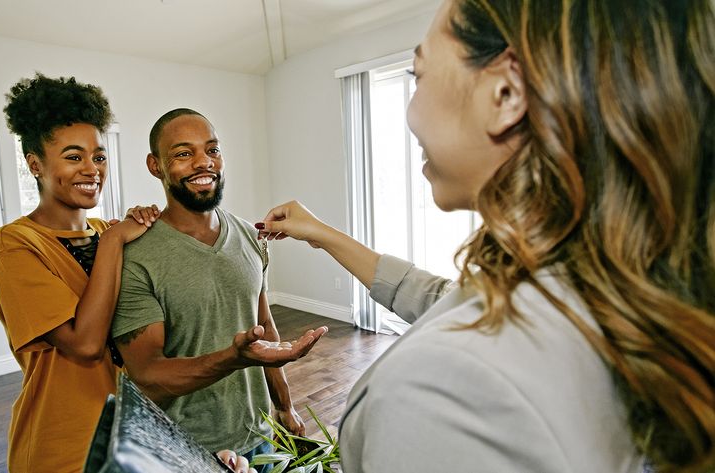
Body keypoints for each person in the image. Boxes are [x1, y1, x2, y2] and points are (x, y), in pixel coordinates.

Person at [258, 0, 715, 472]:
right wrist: (321, 233)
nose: (411, 112)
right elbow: (445, 299)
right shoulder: (615, 287)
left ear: (505, 93)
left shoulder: (447, 393)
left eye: (419, 75)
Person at [111, 108, 328, 470]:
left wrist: (285, 406)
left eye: (212, 150)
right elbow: (147, 376)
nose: (203, 163)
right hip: (186, 451)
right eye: (183, 154)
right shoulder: (136, 256)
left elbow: (265, 326)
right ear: (155, 166)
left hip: (261, 437)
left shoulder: (250, 236)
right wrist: (233, 358)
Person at [0, 73, 159, 472]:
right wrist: (116, 242)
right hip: (64, 444)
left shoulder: (104, 231)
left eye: (99, 156)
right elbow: (83, 344)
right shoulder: (14, 244)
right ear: (35, 164)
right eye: (73, 156)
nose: (92, 168)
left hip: (131, 435)